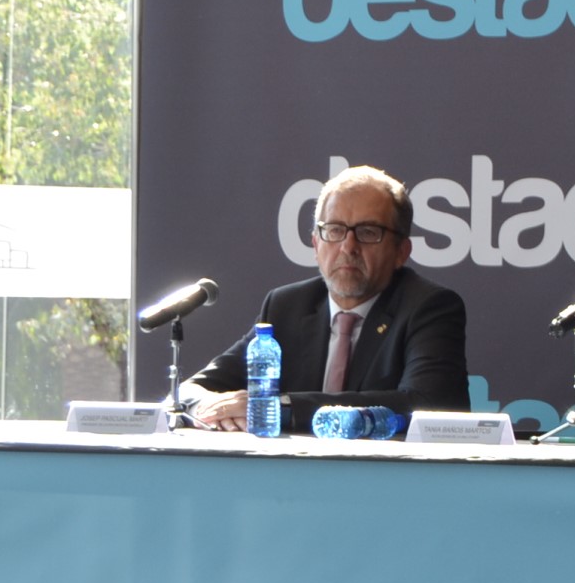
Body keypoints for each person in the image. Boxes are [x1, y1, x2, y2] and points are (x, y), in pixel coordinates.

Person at [181, 164, 469, 431]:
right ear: (316, 244)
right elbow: (190, 390)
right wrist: (208, 407)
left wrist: (281, 408)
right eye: (335, 230)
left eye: (368, 232)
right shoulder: (287, 306)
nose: (348, 247)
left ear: (401, 252)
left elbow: (425, 404)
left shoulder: (429, 307)